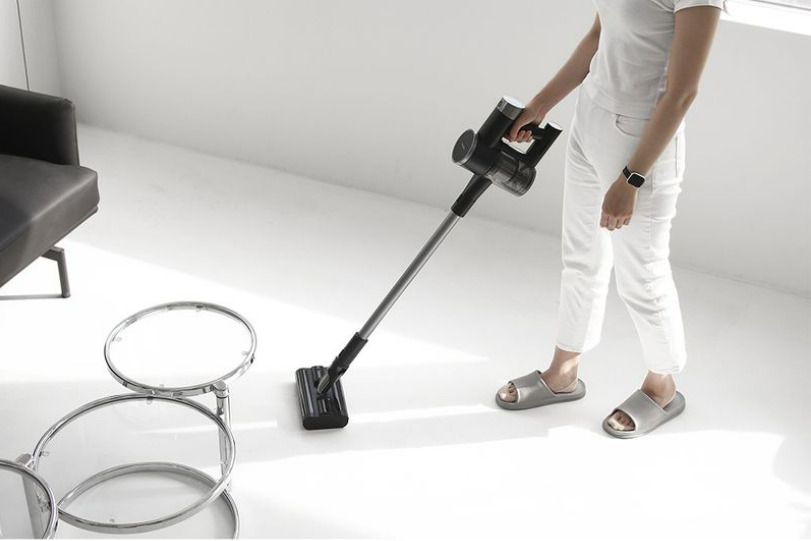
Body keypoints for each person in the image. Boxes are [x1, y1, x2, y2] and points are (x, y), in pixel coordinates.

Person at [496, 0, 724, 438]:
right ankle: (563, 372)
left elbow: (683, 92)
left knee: (642, 274)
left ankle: (662, 387)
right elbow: (598, 36)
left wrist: (632, 177)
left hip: (641, 142)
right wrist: (541, 105)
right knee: (581, 257)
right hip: (590, 119)